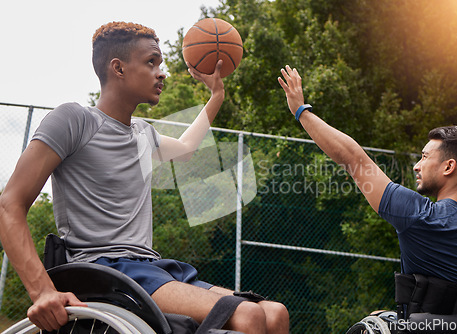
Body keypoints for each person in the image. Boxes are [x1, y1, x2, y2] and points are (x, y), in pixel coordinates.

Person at [0, 22, 288, 333]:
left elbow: (187, 148)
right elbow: (9, 205)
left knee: (274, 313)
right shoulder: (74, 120)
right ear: (118, 68)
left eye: (160, 64)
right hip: (105, 271)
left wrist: (216, 95)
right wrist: (42, 290)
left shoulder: (143, 133)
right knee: (249, 317)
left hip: (150, 268)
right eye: (151, 62)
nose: (161, 72)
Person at [278, 65, 457, 292]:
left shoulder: (420, 217)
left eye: (424, 157)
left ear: (449, 166)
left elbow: (355, 161)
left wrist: (301, 111)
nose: (416, 166)